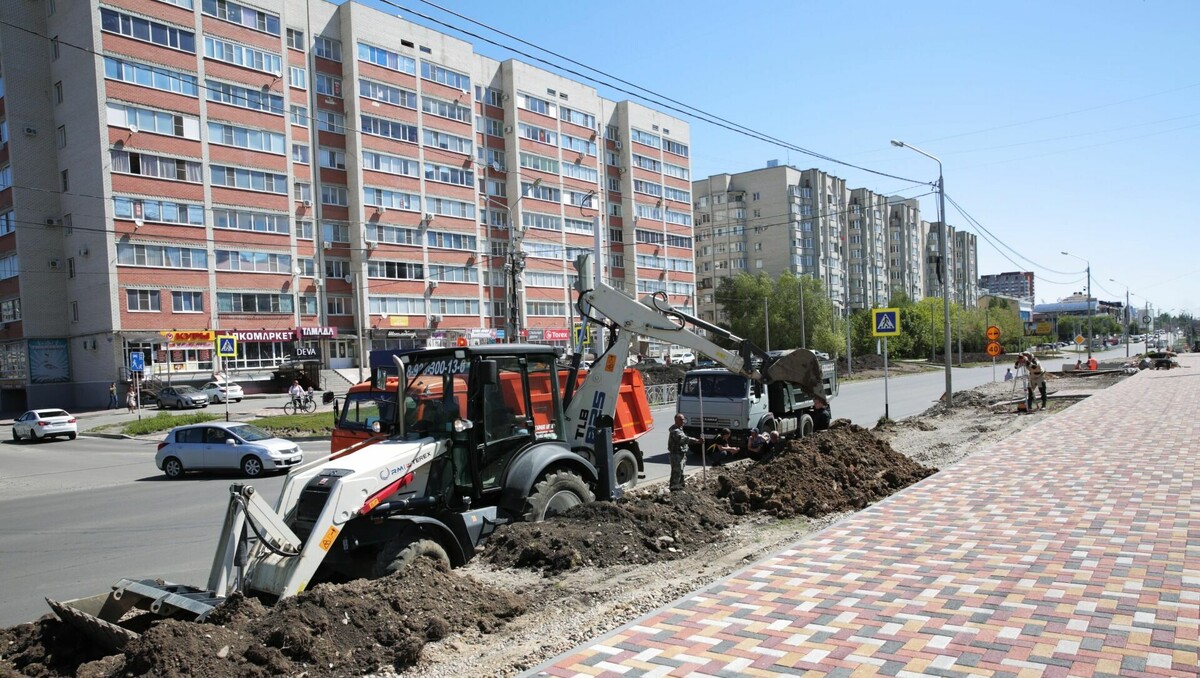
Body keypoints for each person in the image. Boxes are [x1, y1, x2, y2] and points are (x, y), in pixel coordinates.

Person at [667, 413, 701, 492]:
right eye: (681, 420)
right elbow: (684, 439)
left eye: (683, 419)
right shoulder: (675, 431)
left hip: (681, 454)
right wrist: (697, 441)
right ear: (676, 420)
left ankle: (681, 488)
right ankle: (674, 489)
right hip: (676, 455)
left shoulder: (680, 428)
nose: (683, 421)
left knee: (681, 472)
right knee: (676, 473)